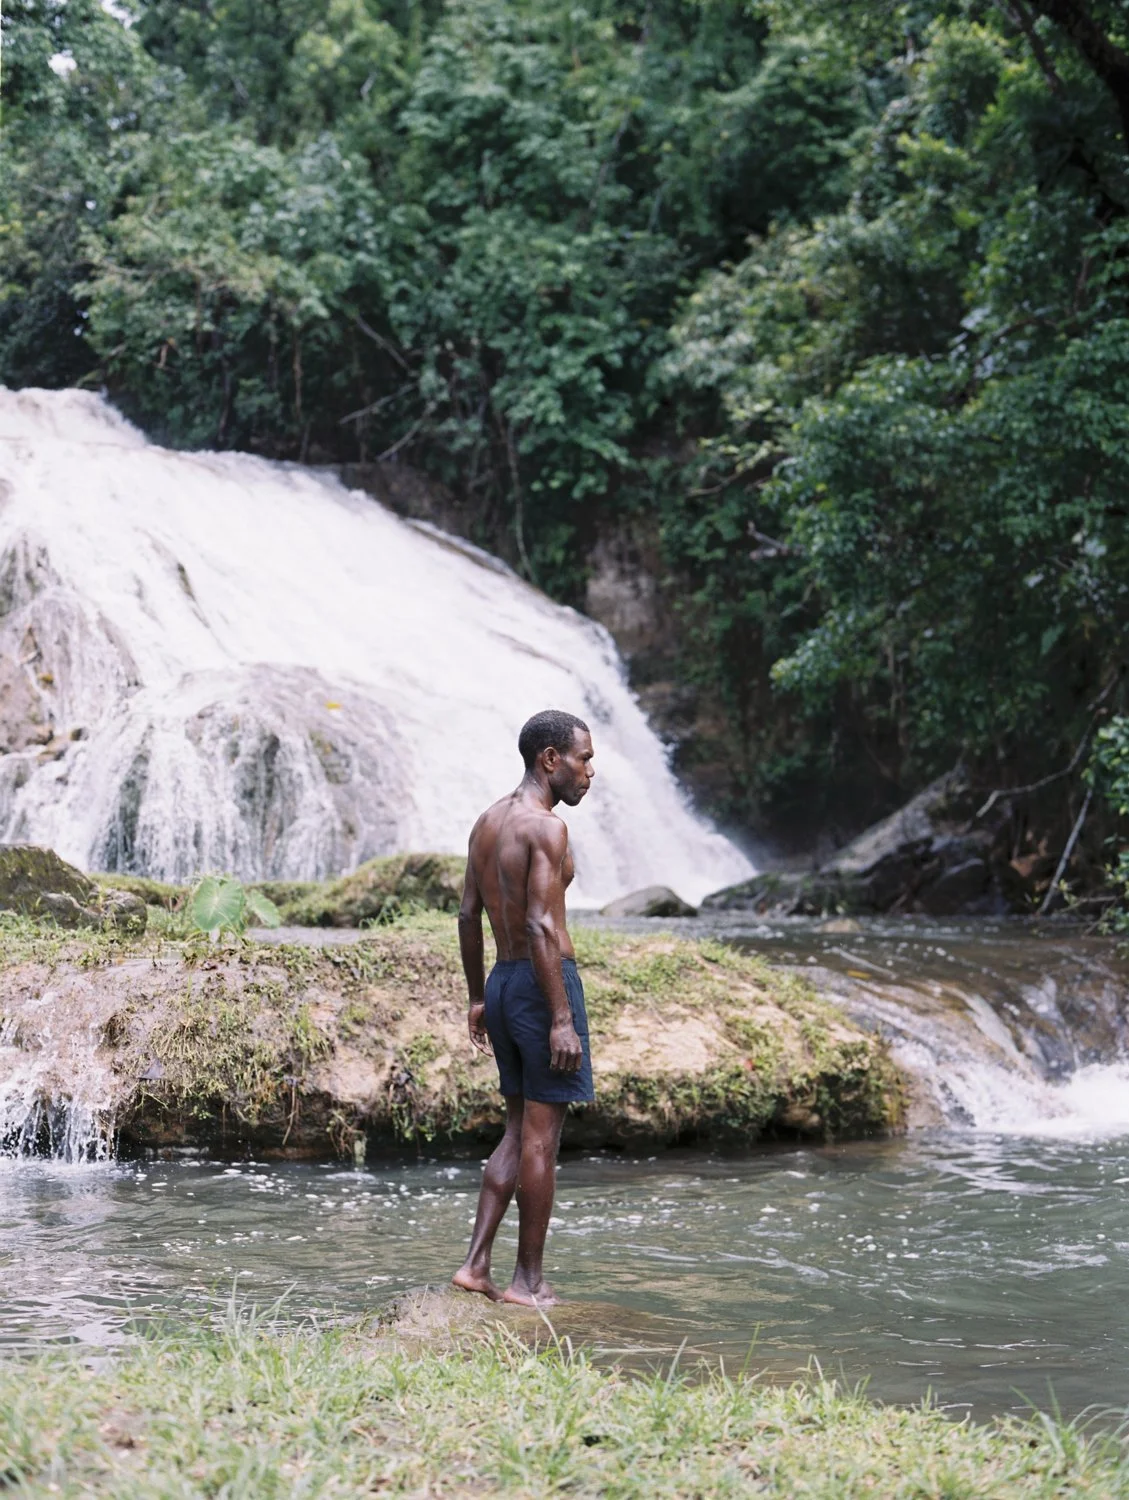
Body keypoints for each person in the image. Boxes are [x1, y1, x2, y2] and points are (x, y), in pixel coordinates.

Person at [452, 708, 596, 1306]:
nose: (591, 772)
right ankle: (528, 1282)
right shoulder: (546, 828)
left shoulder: (486, 823)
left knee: (516, 1129)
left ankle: (476, 1266)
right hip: (543, 985)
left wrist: (479, 997)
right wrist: (561, 1017)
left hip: (505, 983)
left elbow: (466, 915)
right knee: (541, 1139)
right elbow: (541, 923)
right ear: (550, 759)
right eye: (584, 759)